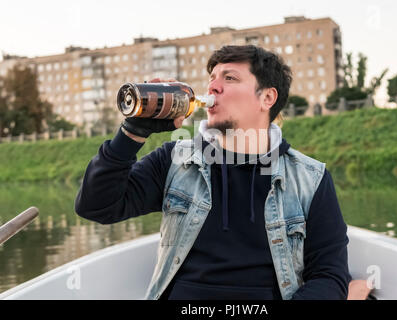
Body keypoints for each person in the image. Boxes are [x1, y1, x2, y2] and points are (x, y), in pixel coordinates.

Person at [75, 45, 352, 300]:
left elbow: (329, 277)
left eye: (229, 78)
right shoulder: (174, 160)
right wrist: (133, 132)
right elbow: (96, 207)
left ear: (267, 97)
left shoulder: (310, 178)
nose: (213, 87)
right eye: (212, 77)